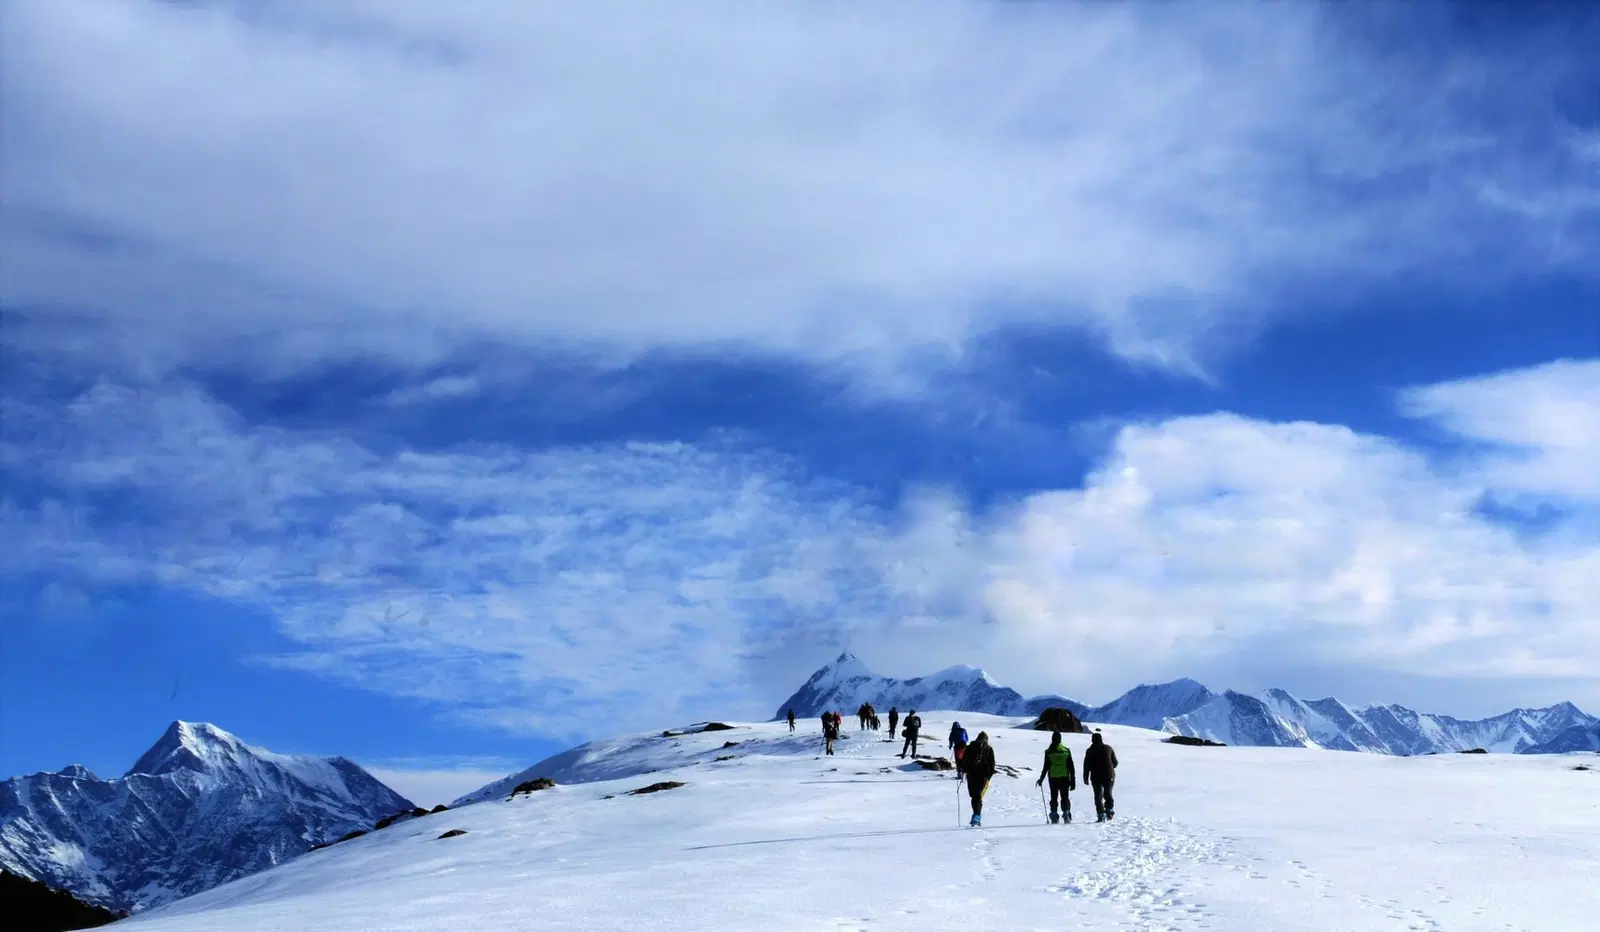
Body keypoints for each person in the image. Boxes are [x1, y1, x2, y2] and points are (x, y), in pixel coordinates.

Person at [1035, 730, 1076, 824]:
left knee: (1054, 797)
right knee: (1065, 797)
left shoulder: (1048, 752)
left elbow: (1045, 767)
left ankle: (1054, 816)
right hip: (1065, 777)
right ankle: (1066, 815)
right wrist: (1073, 780)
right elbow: (1071, 767)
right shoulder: (1066, 751)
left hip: (1053, 778)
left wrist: (1041, 779)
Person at [1083, 730, 1119, 822]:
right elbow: (1115, 762)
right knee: (1108, 793)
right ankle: (1109, 810)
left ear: (1092, 740)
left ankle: (1101, 814)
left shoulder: (1090, 751)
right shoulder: (1108, 748)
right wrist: (1110, 768)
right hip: (1109, 775)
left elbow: (1086, 765)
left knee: (1098, 796)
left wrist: (1085, 777)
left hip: (1096, 776)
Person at [963, 731, 996, 826]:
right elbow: (992, 764)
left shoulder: (970, 747)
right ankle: (976, 816)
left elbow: (965, 760)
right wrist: (988, 777)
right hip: (983, 777)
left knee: (974, 796)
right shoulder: (989, 749)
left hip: (971, 775)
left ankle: (976, 816)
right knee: (978, 796)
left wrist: (965, 770)